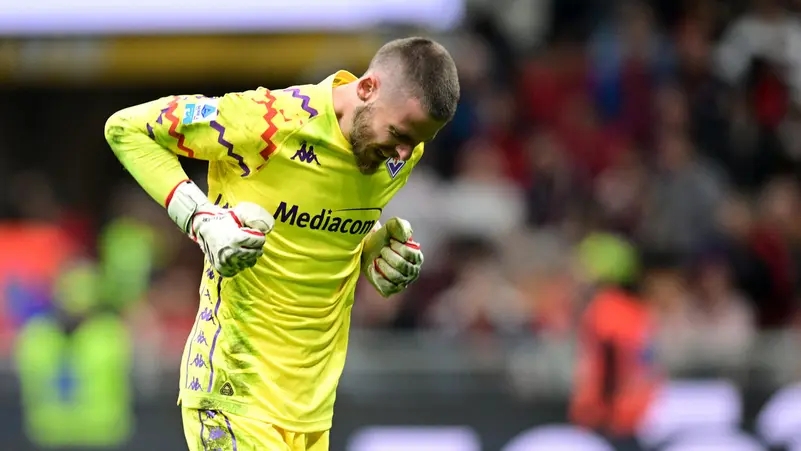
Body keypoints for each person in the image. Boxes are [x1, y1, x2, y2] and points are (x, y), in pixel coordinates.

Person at [104, 37, 459, 451]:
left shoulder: (398, 153)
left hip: (311, 414)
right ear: (367, 88)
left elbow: (324, 213)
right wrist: (200, 218)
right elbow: (126, 128)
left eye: (417, 141)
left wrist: (368, 249)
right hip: (233, 394)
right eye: (399, 133)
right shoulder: (269, 120)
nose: (403, 152)